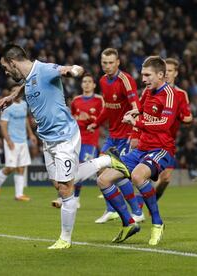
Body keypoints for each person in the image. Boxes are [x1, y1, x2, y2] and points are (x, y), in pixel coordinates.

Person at [0, 44, 85, 249]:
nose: (5, 71)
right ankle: (106, 162)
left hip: (65, 136)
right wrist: (13, 97)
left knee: (65, 188)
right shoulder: (29, 77)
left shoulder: (45, 69)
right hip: (48, 140)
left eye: (5, 67)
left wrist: (72, 70)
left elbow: (70, 69)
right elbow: (28, 83)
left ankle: (65, 239)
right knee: (58, 183)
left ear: (13, 62)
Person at [97, 56, 178, 245]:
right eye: (142, 75)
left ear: (161, 75)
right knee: (103, 179)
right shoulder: (147, 92)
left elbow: (165, 124)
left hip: (161, 149)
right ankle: (128, 223)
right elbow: (140, 110)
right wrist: (132, 115)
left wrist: (137, 122)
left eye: (147, 75)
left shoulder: (170, 94)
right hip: (141, 147)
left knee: (137, 176)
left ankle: (157, 223)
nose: (143, 79)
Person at [87, 48, 144, 224]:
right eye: (104, 63)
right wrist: (96, 123)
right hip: (113, 135)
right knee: (101, 169)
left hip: (127, 134)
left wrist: (135, 133)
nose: (108, 66)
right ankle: (112, 210)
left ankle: (137, 211)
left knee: (117, 173)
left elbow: (136, 108)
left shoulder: (126, 80)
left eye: (111, 62)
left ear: (118, 62)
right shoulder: (103, 81)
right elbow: (108, 107)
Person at [136, 58, 193, 205]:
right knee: (143, 173)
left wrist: (177, 115)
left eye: (170, 71)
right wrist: (135, 133)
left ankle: (150, 202)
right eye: (165, 70)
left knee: (166, 177)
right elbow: (141, 111)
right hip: (149, 137)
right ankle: (140, 205)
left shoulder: (180, 94)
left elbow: (188, 117)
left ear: (176, 73)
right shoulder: (150, 90)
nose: (167, 74)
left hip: (167, 140)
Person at [51, 74, 104, 208]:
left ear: (94, 85)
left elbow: (103, 118)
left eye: (89, 82)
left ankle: (72, 197)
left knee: (80, 166)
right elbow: (71, 118)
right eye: (84, 81)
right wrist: (76, 117)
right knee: (72, 167)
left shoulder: (99, 100)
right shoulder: (76, 100)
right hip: (75, 139)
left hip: (90, 139)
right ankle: (71, 197)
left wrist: (89, 118)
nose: (86, 84)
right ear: (81, 84)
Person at [0, 84, 37, 201]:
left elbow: (25, 119)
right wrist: (8, 140)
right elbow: (3, 125)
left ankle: (19, 194)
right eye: (14, 91)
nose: (16, 93)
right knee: (10, 168)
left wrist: (31, 134)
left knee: (21, 167)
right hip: (12, 141)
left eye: (18, 90)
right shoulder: (7, 107)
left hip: (23, 141)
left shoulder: (24, 104)